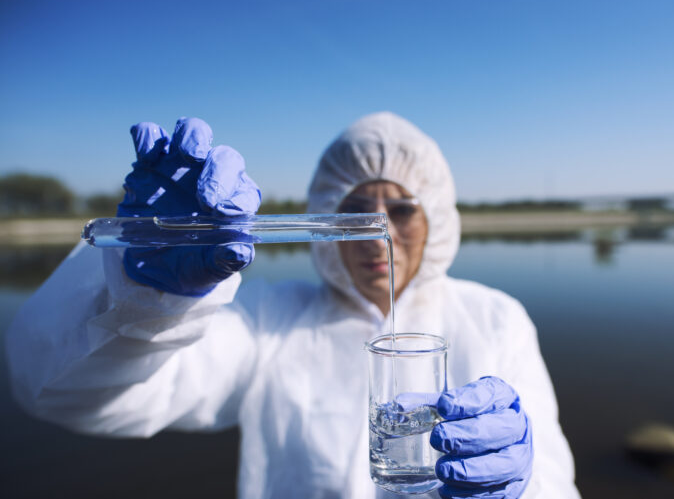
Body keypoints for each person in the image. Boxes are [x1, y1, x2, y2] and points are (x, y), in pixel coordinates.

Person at [6, 113, 580, 498]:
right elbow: (66, 394)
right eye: (355, 209)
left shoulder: (495, 319)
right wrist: (146, 296)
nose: (375, 234)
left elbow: (554, 477)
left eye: (402, 210)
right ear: (329, 219)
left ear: (436, 217)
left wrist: (523, 488)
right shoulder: (271, 321)